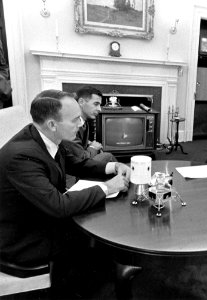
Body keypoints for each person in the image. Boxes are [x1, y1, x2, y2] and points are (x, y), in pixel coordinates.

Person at [0, 89, 130, 295]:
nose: (81, 124)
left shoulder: (44, 136)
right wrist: (107, 187)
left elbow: (77, 164)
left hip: (39, 215)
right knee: (92, 225)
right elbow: (58, 206)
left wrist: (112, 168)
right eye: (75, 120)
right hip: (23, 238)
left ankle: (101, 270)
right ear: (52, 124)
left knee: (96, 222)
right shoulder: (21, 156)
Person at [62, 85, 117, 163]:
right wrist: (93, 147)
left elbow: (76, 142)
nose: (99, 109)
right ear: (81, 102)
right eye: (96, 104)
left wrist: (88, 143)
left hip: (81, 160)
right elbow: (81, 158)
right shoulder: (71, 125)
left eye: (100, 105)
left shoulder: (84, 121)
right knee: (108, 156)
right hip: (74, 169)